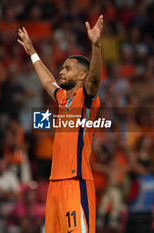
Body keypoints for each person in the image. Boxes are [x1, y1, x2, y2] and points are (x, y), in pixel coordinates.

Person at [17, 15, 104, 233]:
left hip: (76, 182)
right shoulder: (64, 99)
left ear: (82, 75)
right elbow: (48, 82)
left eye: (67, 68)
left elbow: (95, 79)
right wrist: (33, 54)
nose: (61, 71)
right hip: (54, 184)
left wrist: (96, 45)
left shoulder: (87, 98)